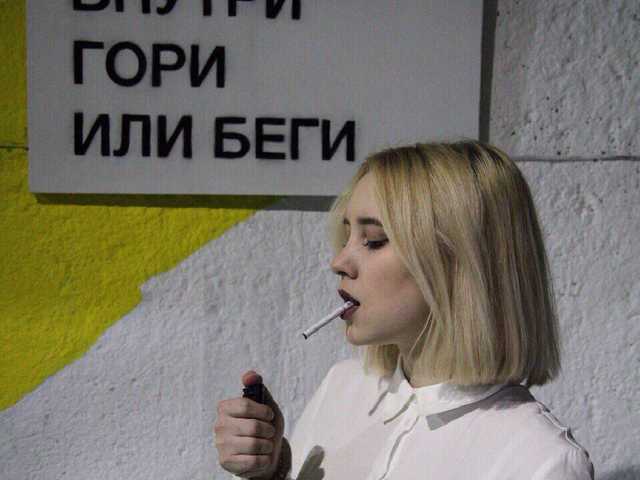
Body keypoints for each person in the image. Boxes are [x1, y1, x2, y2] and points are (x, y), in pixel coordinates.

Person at [214, 140, 595, 479]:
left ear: (460, 263)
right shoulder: (341, 388)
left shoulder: (539, 461)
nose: (339, 261)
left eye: (374, 240)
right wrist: (272, 470)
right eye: (347, 234)